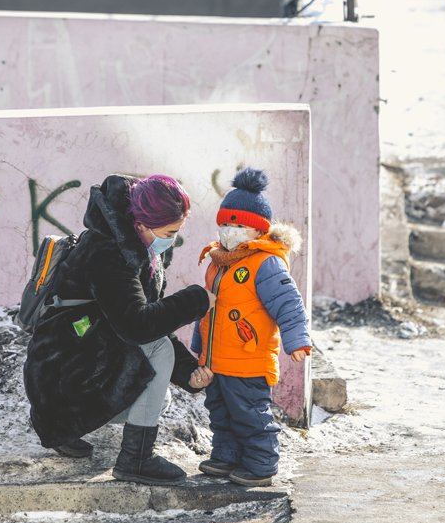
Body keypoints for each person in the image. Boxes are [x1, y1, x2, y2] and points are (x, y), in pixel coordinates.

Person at [23, 174, 215, 485]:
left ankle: (59, 422)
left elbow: (152, 320)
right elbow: (138, 326)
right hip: (60, 375)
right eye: (170, 232)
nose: (173, 240)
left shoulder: (136, 248)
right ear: (142, 224)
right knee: (157, 359)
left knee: (159, 395)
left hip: (65, 364)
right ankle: (135, 459)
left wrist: (188, 372)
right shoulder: (109, 252)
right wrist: (195, 300)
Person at [190, 168, 311, 488]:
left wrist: (296, 339)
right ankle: (227, 455)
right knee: (220, 411)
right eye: (225, 224)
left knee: (249, 415)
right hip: (216, 357)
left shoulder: (266, 262)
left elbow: (289, 302)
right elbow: (208, 309)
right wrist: (198, 345)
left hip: (248, 357)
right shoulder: (219, 260)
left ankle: (260, 463)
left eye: (238, 225)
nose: (229, 231)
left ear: (257, 230)